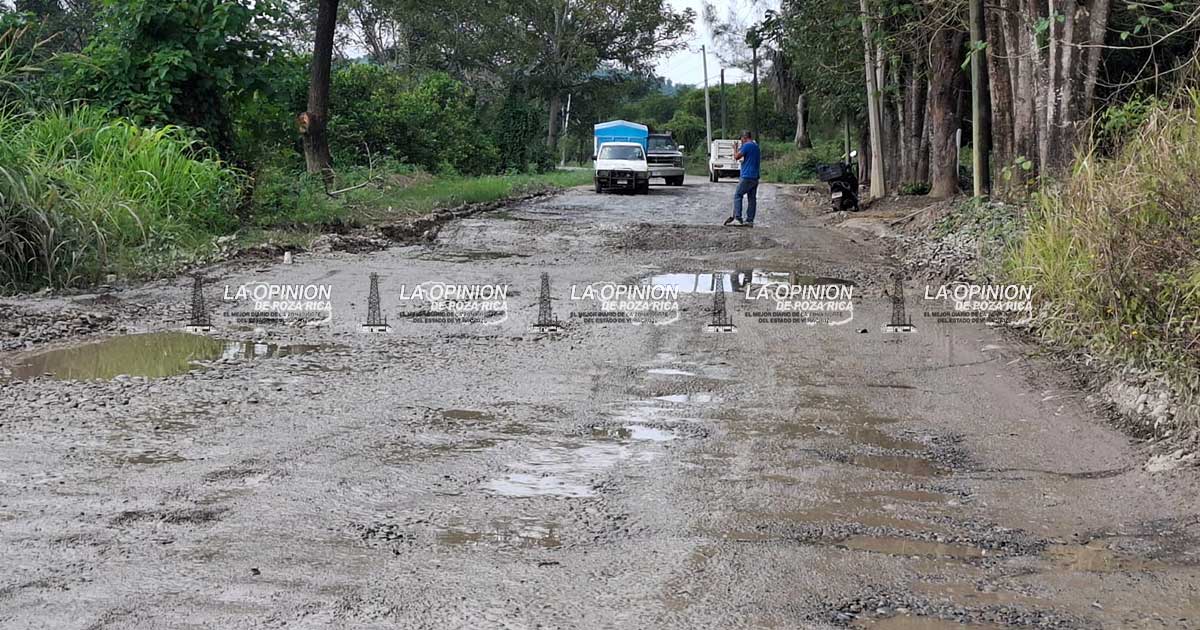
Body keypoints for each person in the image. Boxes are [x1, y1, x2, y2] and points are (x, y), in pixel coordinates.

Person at [724, 130, 760, 227]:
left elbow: (736, 157)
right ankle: (750, 220)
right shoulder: (756, 146)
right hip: (755, 177)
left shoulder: (747, 145)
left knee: (738, 195)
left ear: (744, 138)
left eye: (741, 139)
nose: (741, 141)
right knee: (752, 199)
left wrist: (735, 148)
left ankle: (738, 218)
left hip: (746, 176)